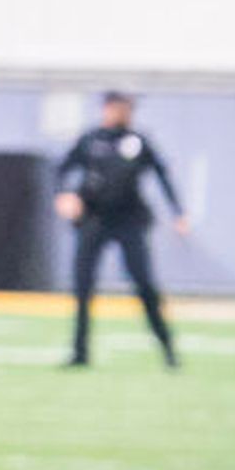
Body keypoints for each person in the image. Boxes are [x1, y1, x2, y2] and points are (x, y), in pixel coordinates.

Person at [56, 89, 187, 369]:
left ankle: (168, 351)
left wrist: (178, 212)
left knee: (144, 285)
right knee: (83, 285)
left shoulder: (138, 141)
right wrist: (65, 194)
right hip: (94, 220)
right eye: (117, 107)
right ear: (106, 109)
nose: (122, 113)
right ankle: (80, 353)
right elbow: (63, 170)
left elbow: (162, 174)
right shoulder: (91, 140)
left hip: (129, 221)